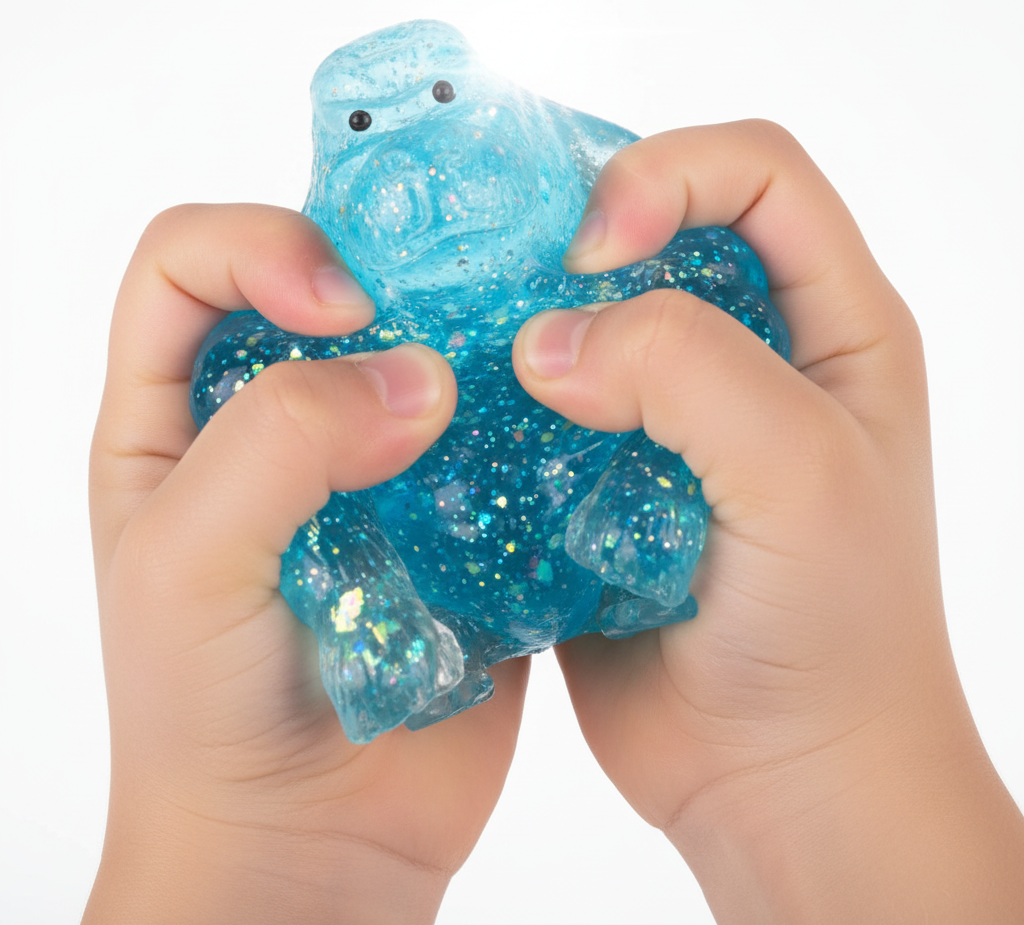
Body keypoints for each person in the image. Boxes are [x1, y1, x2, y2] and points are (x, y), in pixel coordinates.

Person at [83, 120, 1024, 924]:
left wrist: (822, 749)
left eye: (446, 104)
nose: (416, 187)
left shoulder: (624, 269)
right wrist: (265, 837)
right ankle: (379, 636)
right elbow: (233, 378)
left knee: (712, 286)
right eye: (365, 127)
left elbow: (723, 277)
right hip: (424, 593)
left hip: (623, 541)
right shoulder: (320, 343)